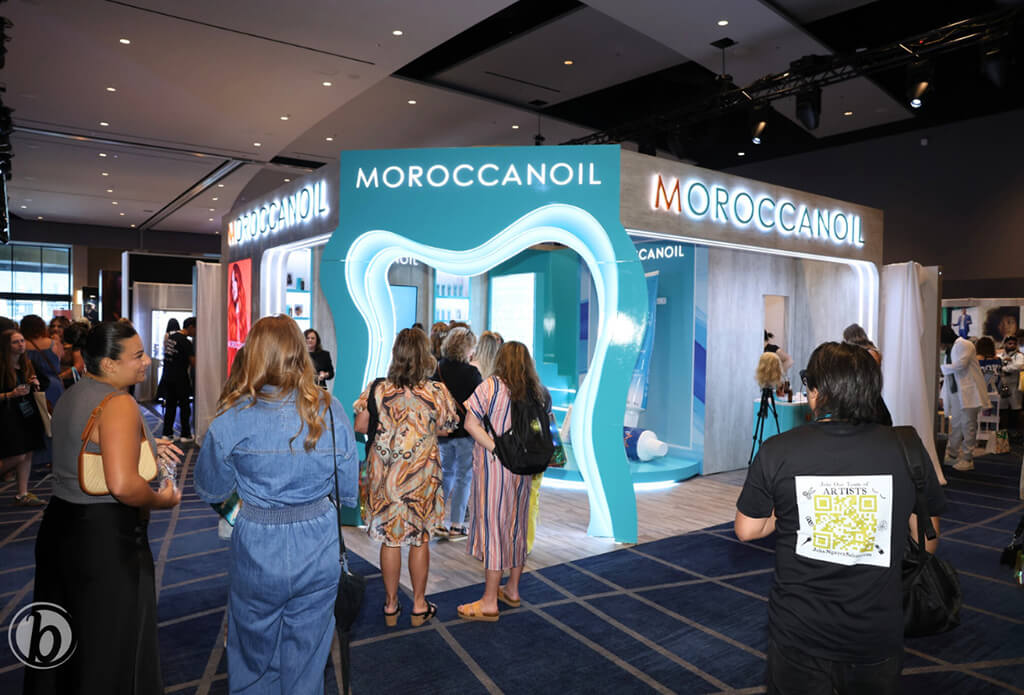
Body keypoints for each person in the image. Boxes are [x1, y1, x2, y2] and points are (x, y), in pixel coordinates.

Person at [735, 341, 945, 695]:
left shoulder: (779, 450)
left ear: (816, 391)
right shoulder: (906, 447)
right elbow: (929, 541)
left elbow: (747, 529)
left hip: (799, 632)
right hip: (876, 631)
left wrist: (801, 514)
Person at [195, 315, 358, 695]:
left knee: (253, 657)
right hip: (318, 543)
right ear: (301, 353)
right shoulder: (330, 410)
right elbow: (348, 491)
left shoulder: (232, 416)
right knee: (308, 659)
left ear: (253, 354)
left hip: (258, 543)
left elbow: (211, 489)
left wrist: (246, 504)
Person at [24, 321, 183, 694]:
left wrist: (147, 445)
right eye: (137, 356)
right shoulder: (119, 403)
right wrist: (162, 501)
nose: (146, 362)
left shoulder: (72, 394)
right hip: (105, 538)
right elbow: (123, 485)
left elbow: (88, 445)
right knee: (110, 645)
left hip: (60, 526)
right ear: (109, 364)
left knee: (63, 637)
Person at [353, 328, 458, 627]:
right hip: (421, 474)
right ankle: (419, 605)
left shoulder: (377, 389)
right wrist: (420, 427)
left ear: (396, 355)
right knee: (419, 538)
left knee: (390, 540)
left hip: (385, 475)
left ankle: (390, 605)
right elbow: (448, 427)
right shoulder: (437, 391)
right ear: (425, 355)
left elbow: (360, 426)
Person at [459, 341, 551, 622]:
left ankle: (489, 602)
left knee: (494, 531)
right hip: (524, 469)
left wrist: (496, 447)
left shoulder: (491, 387)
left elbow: (470, 424)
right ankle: (512, 589)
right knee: (516, 527)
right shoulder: (537, 391)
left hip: (495, 470)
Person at [435, 326, 482, 538]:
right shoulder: (472, 373)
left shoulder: (438, 369)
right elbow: (479, 403)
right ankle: (456, 524)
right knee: (464, 477)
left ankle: (437, 520)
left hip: (443, 431)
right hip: (465, 432)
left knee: (445, 474)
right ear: (467, 348)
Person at [0, 329, 46, 505]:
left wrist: (36, 385)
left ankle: (22, 493)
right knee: (17, 455)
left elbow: (44, 384)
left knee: (27, 453)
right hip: (8, 415)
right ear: (6, 346)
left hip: (28, 413)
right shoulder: (2, 367)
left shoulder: (28, 364)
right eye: (15, 342)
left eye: (22, 341)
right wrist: (11, 394)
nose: (21, 345)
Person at [940, 326, 989, 471]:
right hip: (956, 393)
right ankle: (952, 454)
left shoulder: (964, 344)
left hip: (969, 393)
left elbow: (961, 365)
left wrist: (940, 369)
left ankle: (968, 458)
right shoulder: (949, 350)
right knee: (955, 424)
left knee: (968, 425)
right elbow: (949, 374)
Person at [160, 316, 196, 442]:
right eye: (196, 329)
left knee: (170, 406)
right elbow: (193, 362)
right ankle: (185, 434)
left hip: (168, 376)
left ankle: (167, 433)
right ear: (191, 327)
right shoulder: (186, 342)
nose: (196, 332)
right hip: (180, 378)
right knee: (185, 406)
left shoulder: (171, 337)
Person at [20, 314, 65, 410]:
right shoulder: (54, 343)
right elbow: (59, 361)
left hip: (31, 387)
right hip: (54, 386)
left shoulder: (22, 345)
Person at [227, 261, 250, 368]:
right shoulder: (230, 313)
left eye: (235, 280)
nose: (233, 285)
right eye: (232, 282)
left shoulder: (246, 314)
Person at [999, 334, 1023, 432]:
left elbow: (1019, 366)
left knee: (1016, 409)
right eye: (1009, 343)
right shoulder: (1000, 356)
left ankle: (1019, 433)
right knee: (1002, 409)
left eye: (1014, 343)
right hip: (1002, 385)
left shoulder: (1019, 356)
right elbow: (997, 366)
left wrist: (1005, 368)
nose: (1012, 345)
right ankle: (1003, 432)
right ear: (1005, 344)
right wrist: (1003, 363)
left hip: (1014, 386)